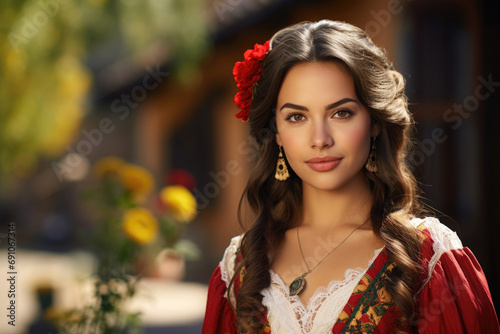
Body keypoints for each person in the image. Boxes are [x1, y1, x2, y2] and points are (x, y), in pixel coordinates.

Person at [202, 20, 499, 333]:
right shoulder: (240, 266)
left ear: (373, 121)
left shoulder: (430, 258)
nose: (320, 138)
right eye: (297, 117)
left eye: (341, 113)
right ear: (276, 132)